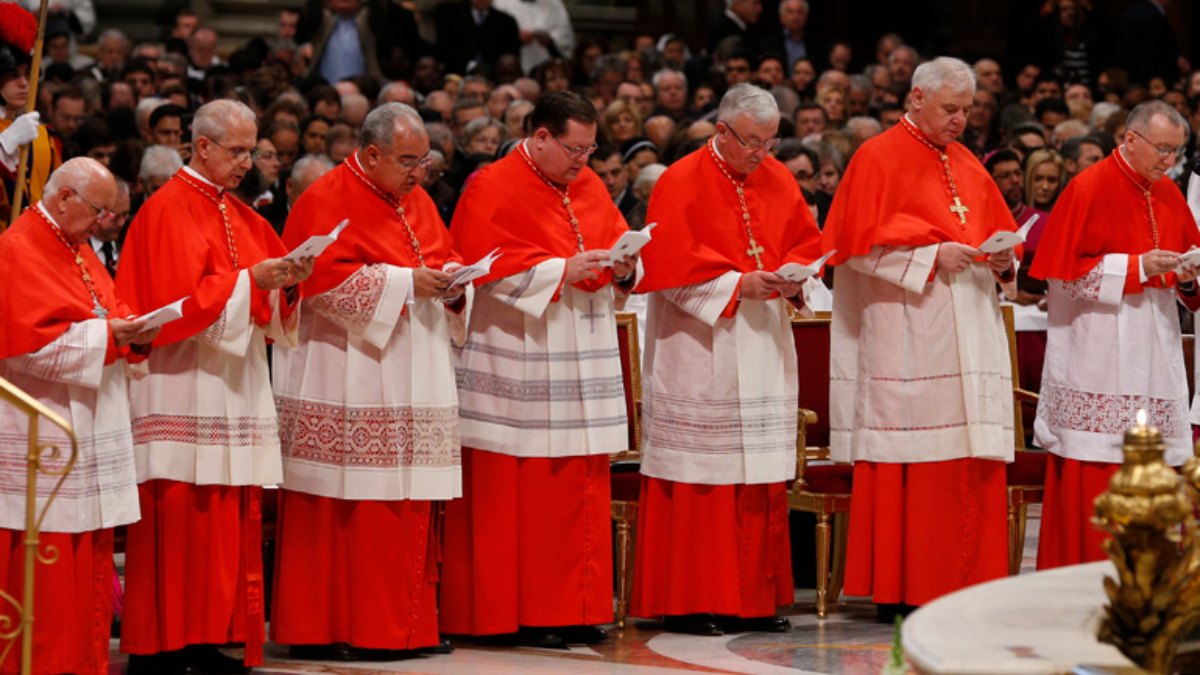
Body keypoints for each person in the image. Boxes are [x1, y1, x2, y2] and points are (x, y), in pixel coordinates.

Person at [115, 99, 312, 675]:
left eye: (252, 150)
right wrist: (251, 280)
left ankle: (206, 640)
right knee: (178, 518)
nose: (248, 162)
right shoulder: (164, 210)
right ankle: (159, 650)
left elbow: (263, 296)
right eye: (238, 150)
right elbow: (171, 307)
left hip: (231, 384)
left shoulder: (242, 214)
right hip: (180, 385)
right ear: (202, 146)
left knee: (223, 519)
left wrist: (288, 282)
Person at [822, 57, 1016, 614]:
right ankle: (906, 587)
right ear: (916, 97)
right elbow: (853, 250)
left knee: (966, 456)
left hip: (969, 326)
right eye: (951, 108)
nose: (960, 120)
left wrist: (1003, 261)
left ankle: (966, 583)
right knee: (917, 460)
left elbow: (996, 234)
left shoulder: (967, 162)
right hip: (909, 330)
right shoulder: (876, 156)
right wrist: (932, 256)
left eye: (967, 110)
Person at [272, 103, 466, 660]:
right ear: (372, 153)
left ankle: (405, 626)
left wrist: (456, 281)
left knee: (408, 501)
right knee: (351, 504)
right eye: (408, 161)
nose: (419, 173)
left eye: (424, 161)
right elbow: (317, 284)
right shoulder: (325, 198)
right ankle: (339, 627)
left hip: (414, 365)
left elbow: (442, 255)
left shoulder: (416, 198)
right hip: (347, 369)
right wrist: (406, 283)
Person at [442, 91, 636, 648]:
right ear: (541, 136)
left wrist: (625, 267)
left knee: (579, 484)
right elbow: (480, 267)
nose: (583, 161)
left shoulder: (589, 184)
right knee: (526, 490)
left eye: (590, 149)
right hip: (519, 357)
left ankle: (577, 607)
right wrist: (559, 270)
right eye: (574, 148)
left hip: (581, 354)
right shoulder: (491, 185)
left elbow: (612, 250)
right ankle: (523, 612)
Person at [630, 83, 823, 636]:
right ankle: (693, 601)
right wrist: (738, 284)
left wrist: (793, 278)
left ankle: (754, 600)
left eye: (770, 141)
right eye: (752, 141)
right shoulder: (680, 180)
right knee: (703, 476)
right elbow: (666, 269)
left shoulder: (778, 178)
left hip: (761, 340)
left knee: (757, 476)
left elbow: (806, 244)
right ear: (721, 131)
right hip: (699, 346)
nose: (762, 153)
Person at [0, 158, 156, 675]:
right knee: (50, 551)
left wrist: (133, 329)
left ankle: (83, 662)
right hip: (42, 422)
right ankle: (49, 662)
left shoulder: (75, 244)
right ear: (64, 197)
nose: (105, 223)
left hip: (87, 417)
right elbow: (25, 348)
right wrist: (110, 337)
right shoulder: (18, 248)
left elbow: (103, 307)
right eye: (99, 210)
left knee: (89, 544)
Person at [1030, 100, 1200, 570]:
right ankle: (1088, 572)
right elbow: (1063, 277)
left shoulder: (1167, 192)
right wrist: (1138, 267)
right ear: (1130, 139)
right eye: (1162, 149)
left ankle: (1153, 575)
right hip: (1098, 347)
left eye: (1176, 151)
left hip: (1156, 343)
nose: (1170, 161)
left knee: (1155, 462)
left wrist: (1187, 276)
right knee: (1098, 460)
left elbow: (1184, 274)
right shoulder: (1087, 187)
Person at [0, 3, 62, 225]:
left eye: (28, 73)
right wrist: (5, 143)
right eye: (13, 75)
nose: (24, 83)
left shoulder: (46, 138)